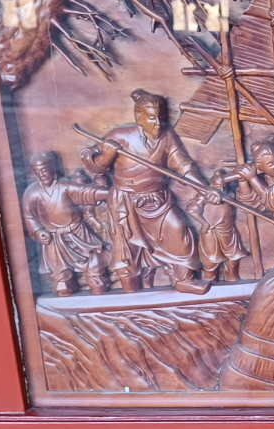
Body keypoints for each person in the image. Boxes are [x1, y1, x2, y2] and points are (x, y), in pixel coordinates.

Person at [81, 89, 215, 295]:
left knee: (179, 231)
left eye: (161, 117)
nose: (158, 123)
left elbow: (183, 166)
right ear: (139, 117)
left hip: (158, 200)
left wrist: (204, 189)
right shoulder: (119, 136)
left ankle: (184, 280)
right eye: (152, 118)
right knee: (128, 250)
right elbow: (95, 166)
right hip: (126, 201)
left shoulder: (167, 136)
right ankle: (130, 291)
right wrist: (106, 156)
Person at [22, 151, 109, 296]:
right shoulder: (31, 193)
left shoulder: (64, 185)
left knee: (95, 268)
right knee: (62, 283)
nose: (42, 174)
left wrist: (109, 193)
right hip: (54, 238)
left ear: (52, 167)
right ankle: (66, 286)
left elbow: (85, 193)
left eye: (44, 169)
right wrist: (38, 231)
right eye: (38, 171)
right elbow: (29, 217)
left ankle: (97, 284)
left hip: (78, 231)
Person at [191, 170, 248, 282]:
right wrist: (204, 223)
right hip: (212, 233)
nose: (221, 188)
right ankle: (211, 289)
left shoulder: (230, 194)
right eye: (218, 186)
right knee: (210, 265)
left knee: (232, 263)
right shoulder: (205, 195)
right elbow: (192, 210)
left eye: (224, 185)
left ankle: (234, 287)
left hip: (229, 232)